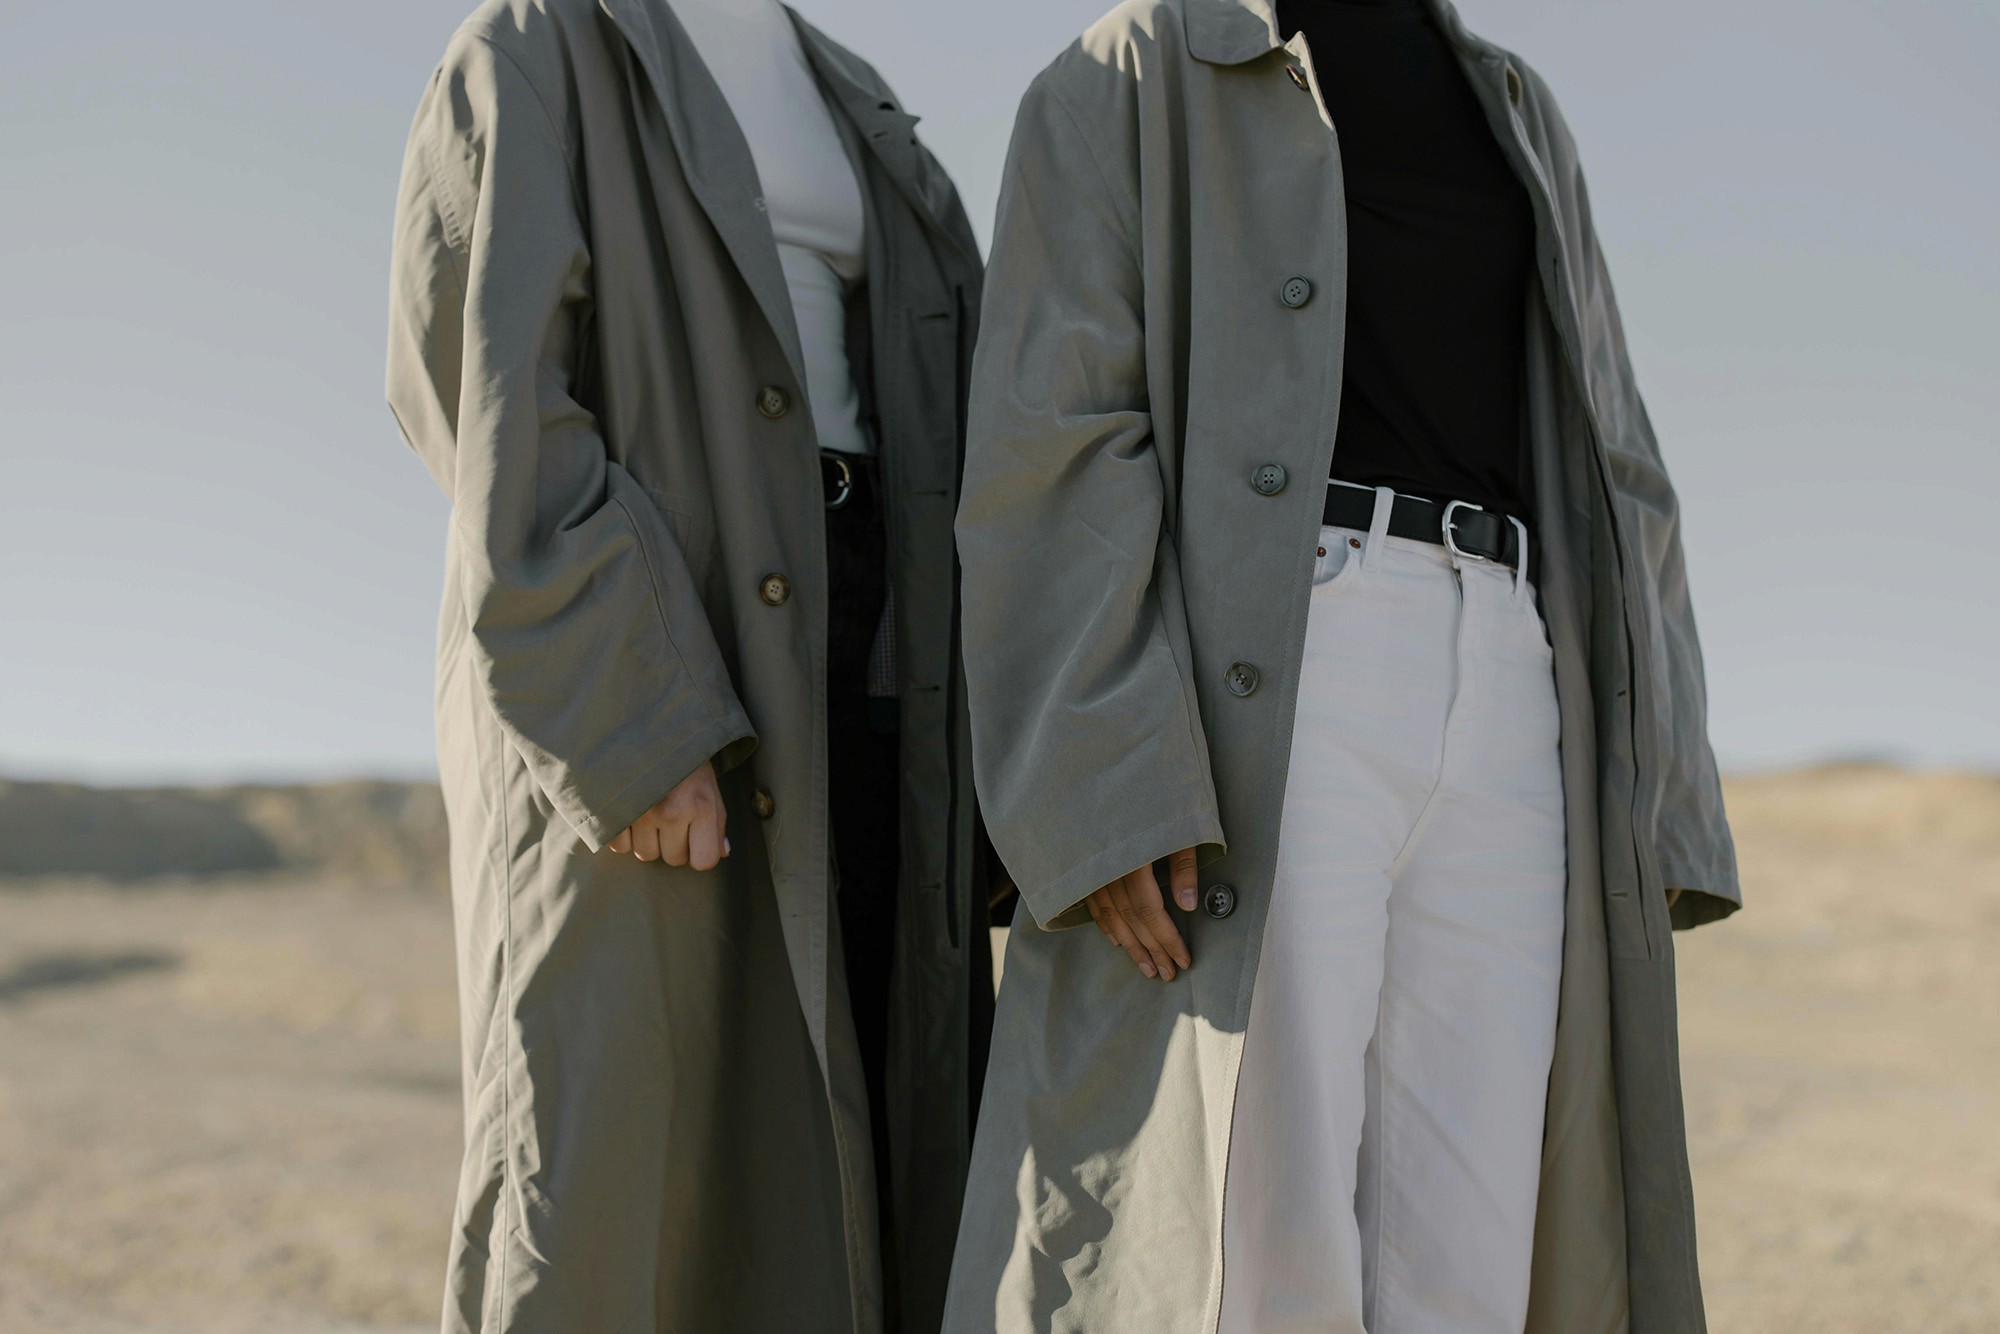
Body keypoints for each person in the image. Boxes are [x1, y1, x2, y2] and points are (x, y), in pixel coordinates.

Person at [946, 0, 1739, 1330]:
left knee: (1474, 1243)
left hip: (1512, 669)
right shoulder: (1135, 66)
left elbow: (1620, 454)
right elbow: (1053, 433)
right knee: (1271, 1224)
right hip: (1282, 661)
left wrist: (1664, 786)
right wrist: (1101, 776)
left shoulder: (1513, 101)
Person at [384, 0, 989, 1329]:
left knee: (867, 1160)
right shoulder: (535, 44)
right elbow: (491, 403)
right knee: (620, 1180)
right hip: (664, 647)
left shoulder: (853, 93)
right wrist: (633, 714)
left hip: (874, 646)